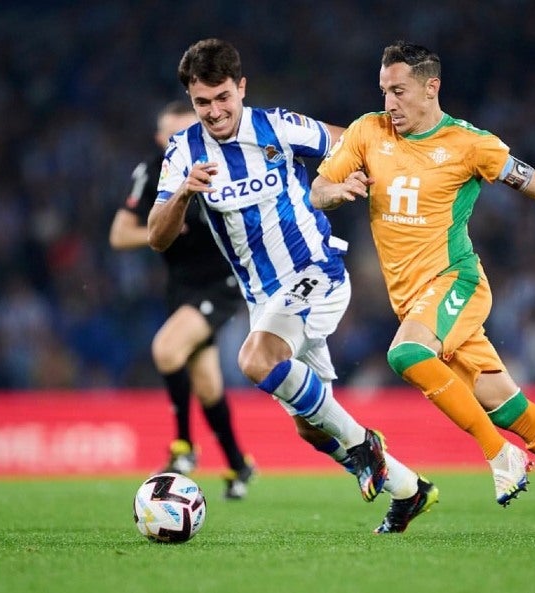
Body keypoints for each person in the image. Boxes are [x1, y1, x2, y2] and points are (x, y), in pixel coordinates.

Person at [311, 40, 535, 539]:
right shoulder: (367, 132)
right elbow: (318, 189)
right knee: (512, 408)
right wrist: (334, 193)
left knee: (405, 354)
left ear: (432, 88)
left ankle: (498, 453)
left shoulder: (471, 145)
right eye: (384, 91)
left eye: (400, 91)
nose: (390, 103)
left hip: (457, 284)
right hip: (416, 301)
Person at [147, 38, 437, 534]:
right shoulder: (184, 152)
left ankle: (367, 446)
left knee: (254, 360)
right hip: (265, 300)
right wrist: (183, 194)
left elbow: (353, 142)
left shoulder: (277, 126)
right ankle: (409, 490)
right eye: (202, 102)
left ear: (240, 87)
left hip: (315, 272)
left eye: (223, 97)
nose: (214, 112)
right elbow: (157, 235)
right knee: (309, 425)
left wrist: (345, 182)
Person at [109, 100, 255, 500]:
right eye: (172, 135)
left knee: (166, 348)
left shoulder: (224, 162)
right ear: (160, 140)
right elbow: (121, 234)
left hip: (221, 283)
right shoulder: (152, 171)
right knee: (207, 384)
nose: (182, 140)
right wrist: (162, 231)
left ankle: (183, 449)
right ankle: (239, 465)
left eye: (188, 131)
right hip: (182, 287)